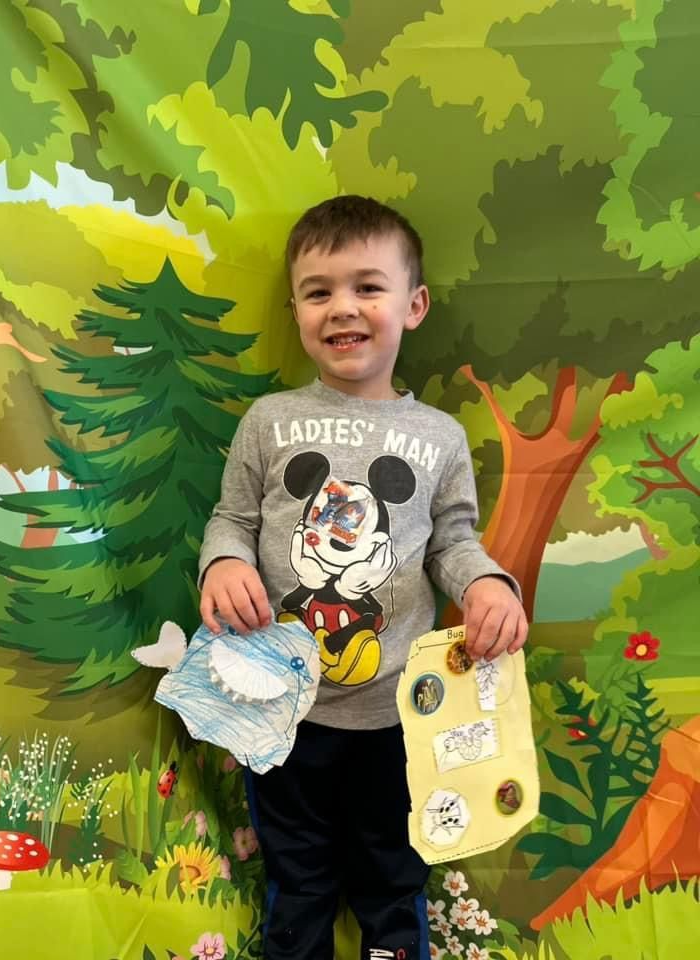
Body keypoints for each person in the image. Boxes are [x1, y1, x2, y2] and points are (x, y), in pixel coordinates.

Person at [198, 195, 528, 960]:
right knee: (299, 879)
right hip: (284, 709)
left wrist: (487, 585)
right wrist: (225, 561)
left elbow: (453, 541)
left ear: (414, 305)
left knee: (392, 876)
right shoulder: (269, 422)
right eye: (319, 291)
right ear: (296, 310)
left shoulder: (439, 437)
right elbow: (232, 517)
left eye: (367, 287)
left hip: (399, 715)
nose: (342, 307)